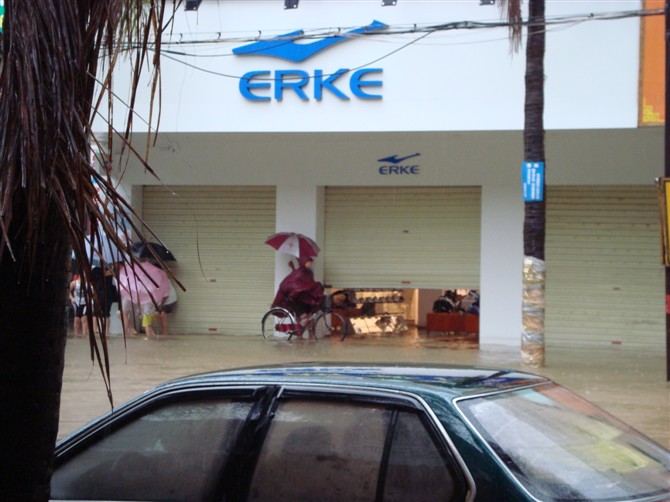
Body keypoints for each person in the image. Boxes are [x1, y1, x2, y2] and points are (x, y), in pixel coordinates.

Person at [272, 256, 324, 335]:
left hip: (305, 299)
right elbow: (298, 285)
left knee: (309, 318)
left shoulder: (309, 272)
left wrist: (315, 286)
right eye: (309, 262)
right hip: (297, 299)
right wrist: (314, 284)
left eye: (311, 262)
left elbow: (308, 284)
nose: (311, 264)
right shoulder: (299, 272)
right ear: (303, 262)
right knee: (304, 319)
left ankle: (301, 335)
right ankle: (296, 332)